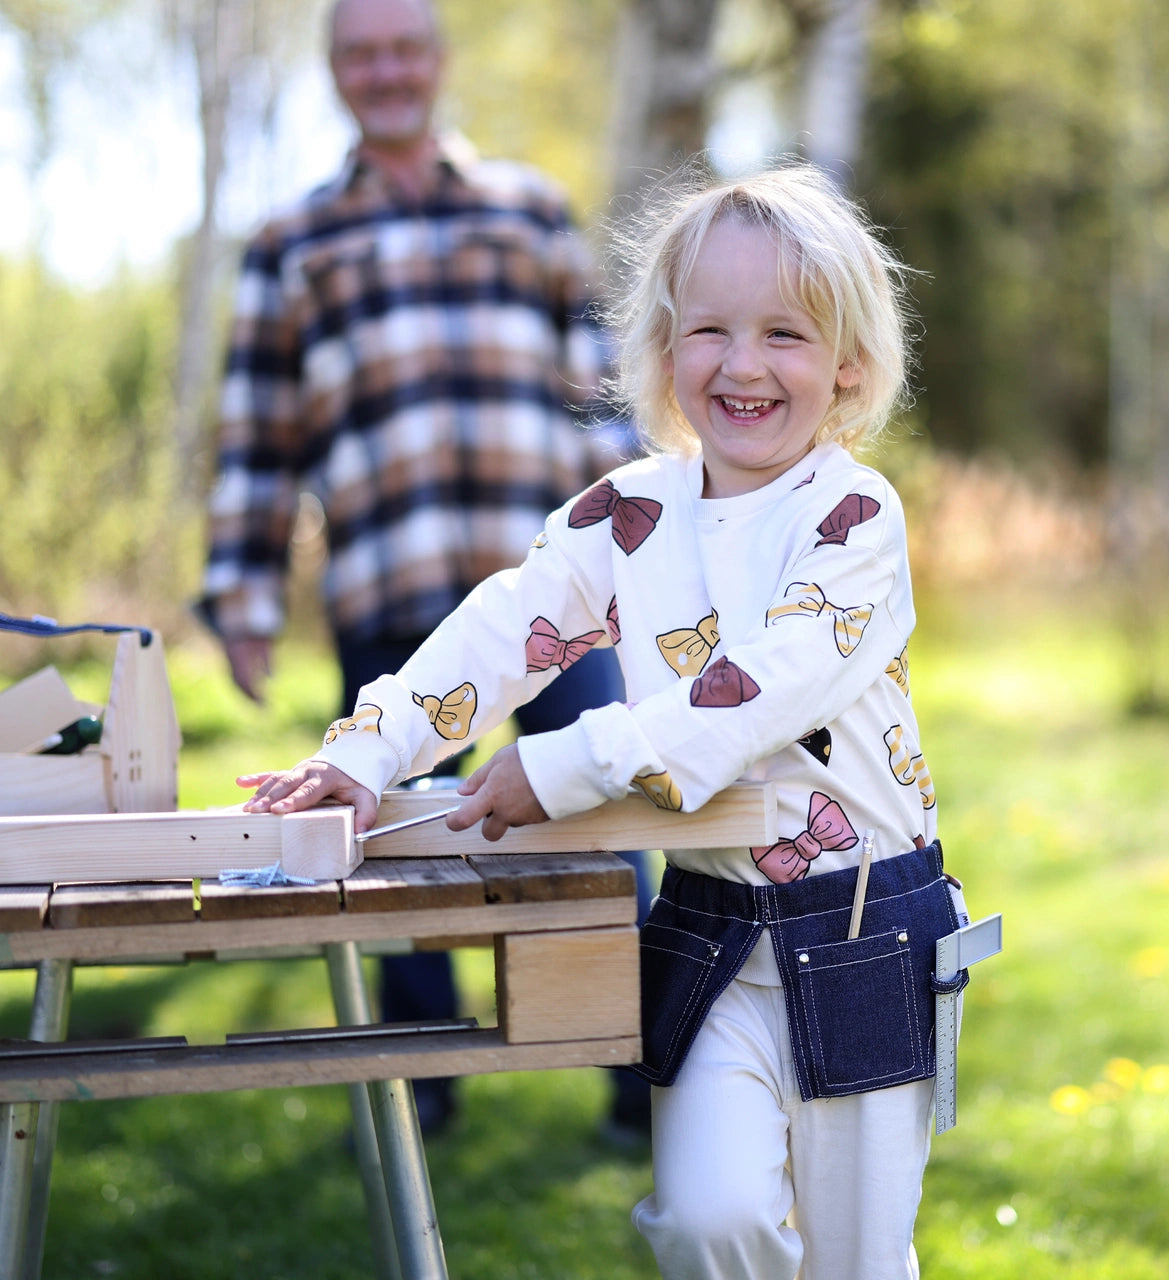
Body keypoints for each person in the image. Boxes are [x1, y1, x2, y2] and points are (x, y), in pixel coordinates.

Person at [239, 161, 972, 1280]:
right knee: (701, 1219)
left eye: (783, 333)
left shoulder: (853, 515)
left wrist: (577, 759)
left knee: (856, 1261)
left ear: (848, 364)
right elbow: (500, 630)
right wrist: (365, 749)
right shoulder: (628, 510)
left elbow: (764, 686)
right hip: (711, 931)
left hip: (863, 932)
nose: (740, 364)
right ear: (663, 350)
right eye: (709, 329)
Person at [198, 0, 652, 1140]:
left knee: (595, 811)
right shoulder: (287, 242)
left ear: (437, 64)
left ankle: (641, 1081)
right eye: (361, 53)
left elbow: (602, 394)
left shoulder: (530, 208)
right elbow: (257, 436)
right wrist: (245, 598)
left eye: (404, 48)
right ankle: (422, 1089)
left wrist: (647, 550)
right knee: (393, 832)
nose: (386, 71)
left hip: (556, 590)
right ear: (337, 74)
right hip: (387, 581)